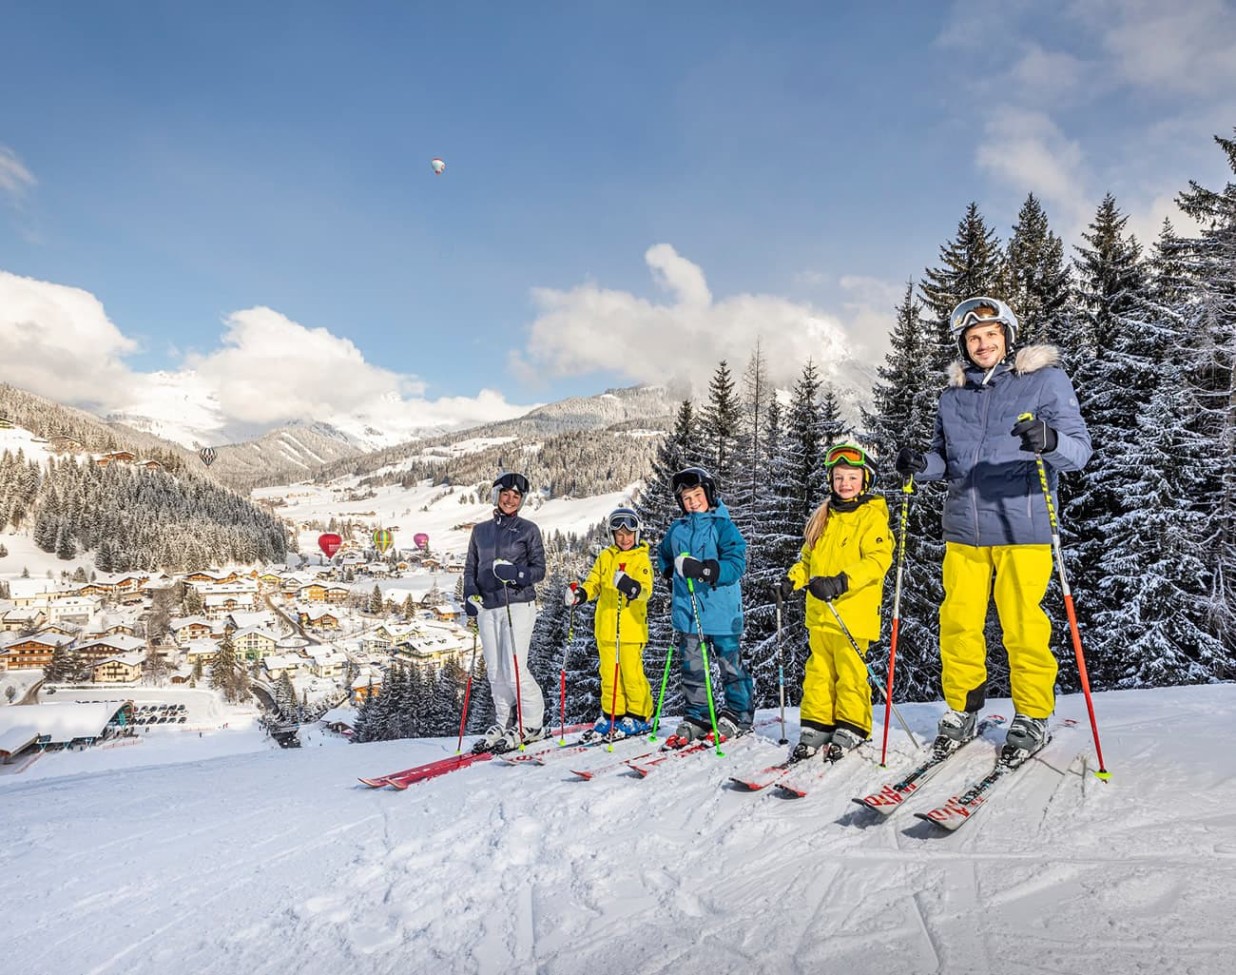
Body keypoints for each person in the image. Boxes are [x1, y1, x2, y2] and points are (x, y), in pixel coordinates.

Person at [895, 296, 1092, 764]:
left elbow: (1079, 452)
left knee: (1022, 626)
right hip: (964, 526)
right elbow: (948, 460)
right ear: (963, 345)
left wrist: (1051, 441)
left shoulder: (1044, 380)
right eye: (973, 338)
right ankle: (964, 707)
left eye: (991, 335)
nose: (983, 344)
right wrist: (923, 465)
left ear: (1007, 338)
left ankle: (1032, 714)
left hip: (1023, 523)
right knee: (958, 624)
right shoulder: (952, 395)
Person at [779, 442, 893, 762]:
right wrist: (792, 580)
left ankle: (852, 724)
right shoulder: (823, 517)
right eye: (839, 477)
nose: (845, 483)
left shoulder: (872, 517)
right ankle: (818, 723)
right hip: (819, 614)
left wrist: (842, 581)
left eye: (852, 477)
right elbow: (806, 560)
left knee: (850, 672)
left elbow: (877, 561)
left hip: (852, 613)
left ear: (865, 481)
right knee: (818, 671)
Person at [655, 467, 753, 746]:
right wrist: (668, 572)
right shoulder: (677, 529)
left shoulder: (722, 525)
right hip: (688, 613)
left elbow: (736, 564)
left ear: (708, 494)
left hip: (721, 612)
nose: (693, 501)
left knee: (730, 666)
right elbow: (663, 555)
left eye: (697, 495)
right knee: (693, 668)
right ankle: (698, 715)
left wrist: (706, 570)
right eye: (686, 497)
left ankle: (739, 714)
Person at [465, 471, 547, 753]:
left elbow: (539, 570)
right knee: (495, 671)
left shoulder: (528, 530)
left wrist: (517, 573)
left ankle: (532, 724)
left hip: (518, 605)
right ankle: (503, 722)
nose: (511, 500)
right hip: (488, 606)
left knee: (514, 669)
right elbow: (471, 568)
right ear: (496, 494)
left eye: (517, 496)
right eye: (506, 494)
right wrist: (469, 595)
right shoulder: (480, 531)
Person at [567, 506, 655, 739]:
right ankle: (612, 714)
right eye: (619, 534)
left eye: (628, 533)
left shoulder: (641, 558)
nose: (624, 538)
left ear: (636, 534)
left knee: (631, 674)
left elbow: (646, 590)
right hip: (606, 627)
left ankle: (639, 716)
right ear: (612, 535)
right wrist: (581, 594)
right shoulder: (606, 557)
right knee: (609, 674)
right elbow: (594, 582)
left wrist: (631, 587)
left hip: (631, 628)